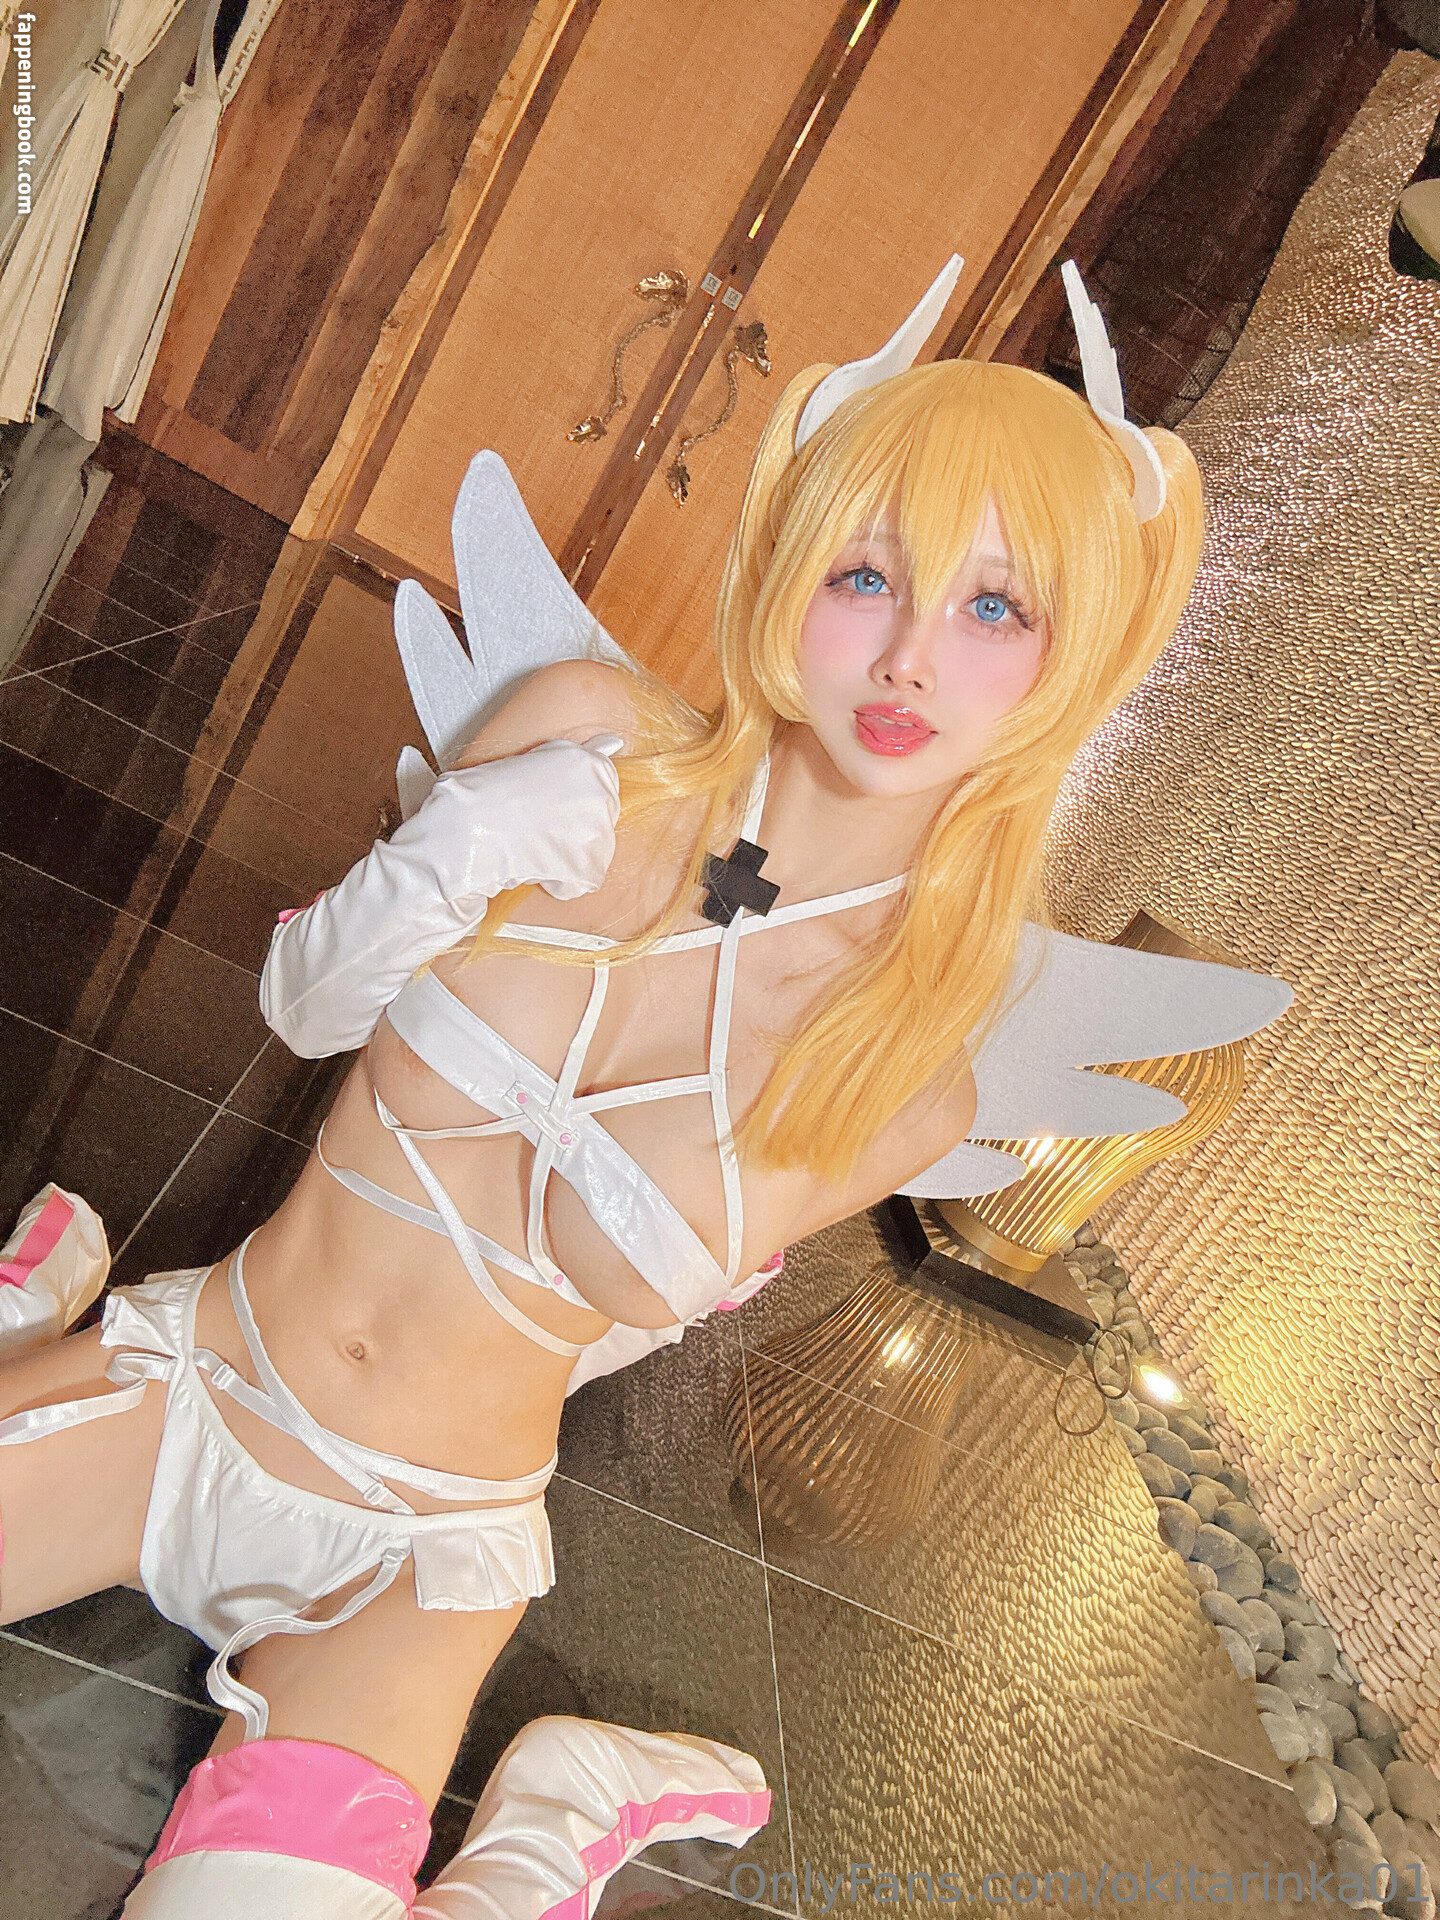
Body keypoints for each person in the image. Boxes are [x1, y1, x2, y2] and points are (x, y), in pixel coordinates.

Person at [0, 264, 1264, 1914]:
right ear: (790, 563)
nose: (905, 657)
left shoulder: (910, 1078)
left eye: (994, 610)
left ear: (1068, 660)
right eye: (866, 573)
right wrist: (464, 844)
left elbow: (636, 1294)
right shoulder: (580, 734)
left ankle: (554, 1816)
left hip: (413, 1557)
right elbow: (307, 1009)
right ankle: (43, 1311)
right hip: (199, 1387)